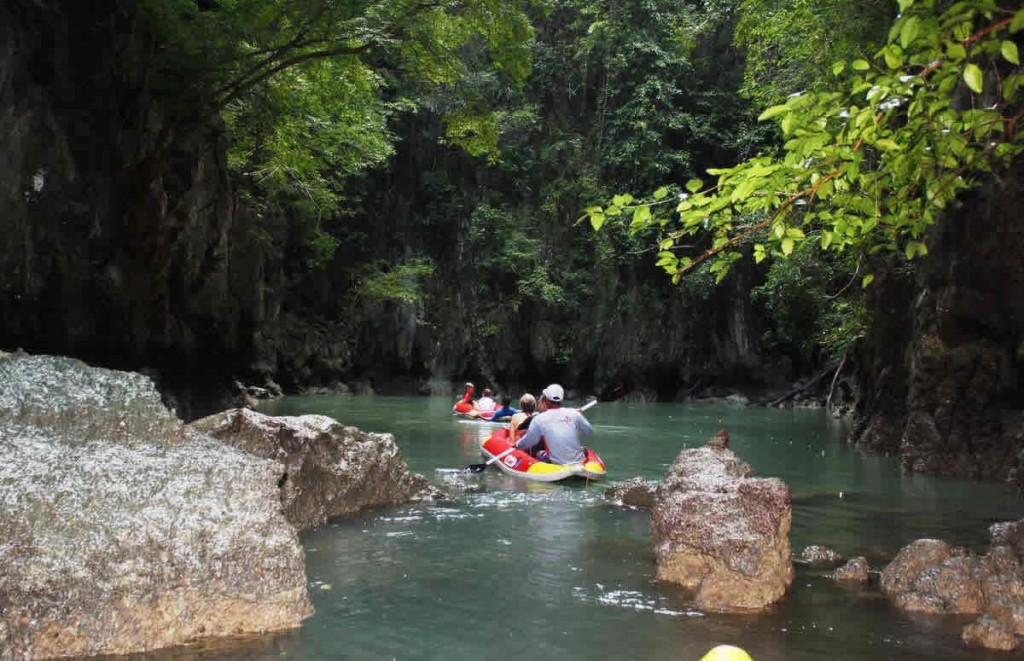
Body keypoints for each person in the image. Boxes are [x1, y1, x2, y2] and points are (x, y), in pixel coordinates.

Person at [514, 384, 592, 465]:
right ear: (562, 401)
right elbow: (588, 431)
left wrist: (516, 445)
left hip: (554, 462)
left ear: (546, 401)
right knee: (583, 449)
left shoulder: (539, 419)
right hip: (577, 461)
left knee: (539, 454)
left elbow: (528, 441)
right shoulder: (574, 413)